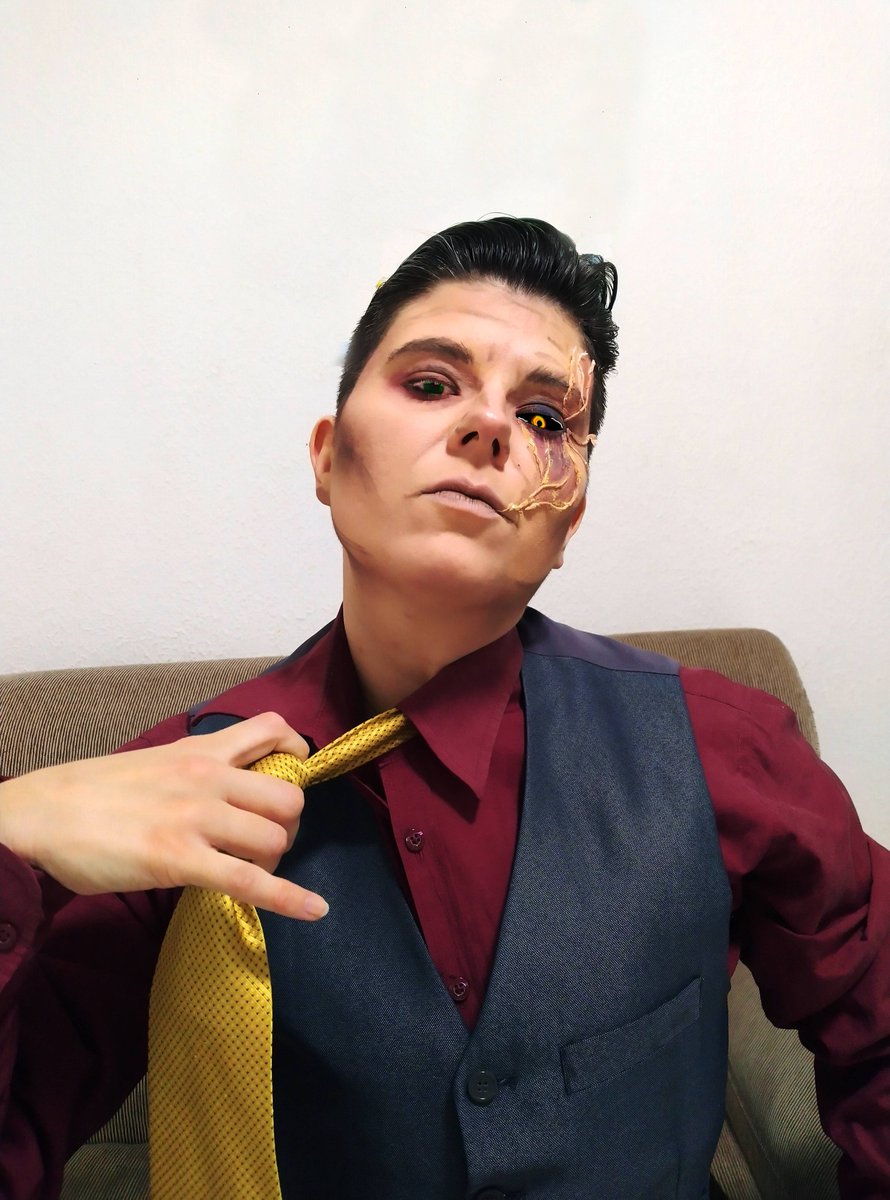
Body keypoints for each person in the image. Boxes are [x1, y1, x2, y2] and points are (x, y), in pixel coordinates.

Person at [0, 217, 887, 1199]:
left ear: (568, 520)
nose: (489, 427)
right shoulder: (167, 795)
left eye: (544, 418)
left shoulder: (724, 747)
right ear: (327, 458)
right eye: (430, 384)